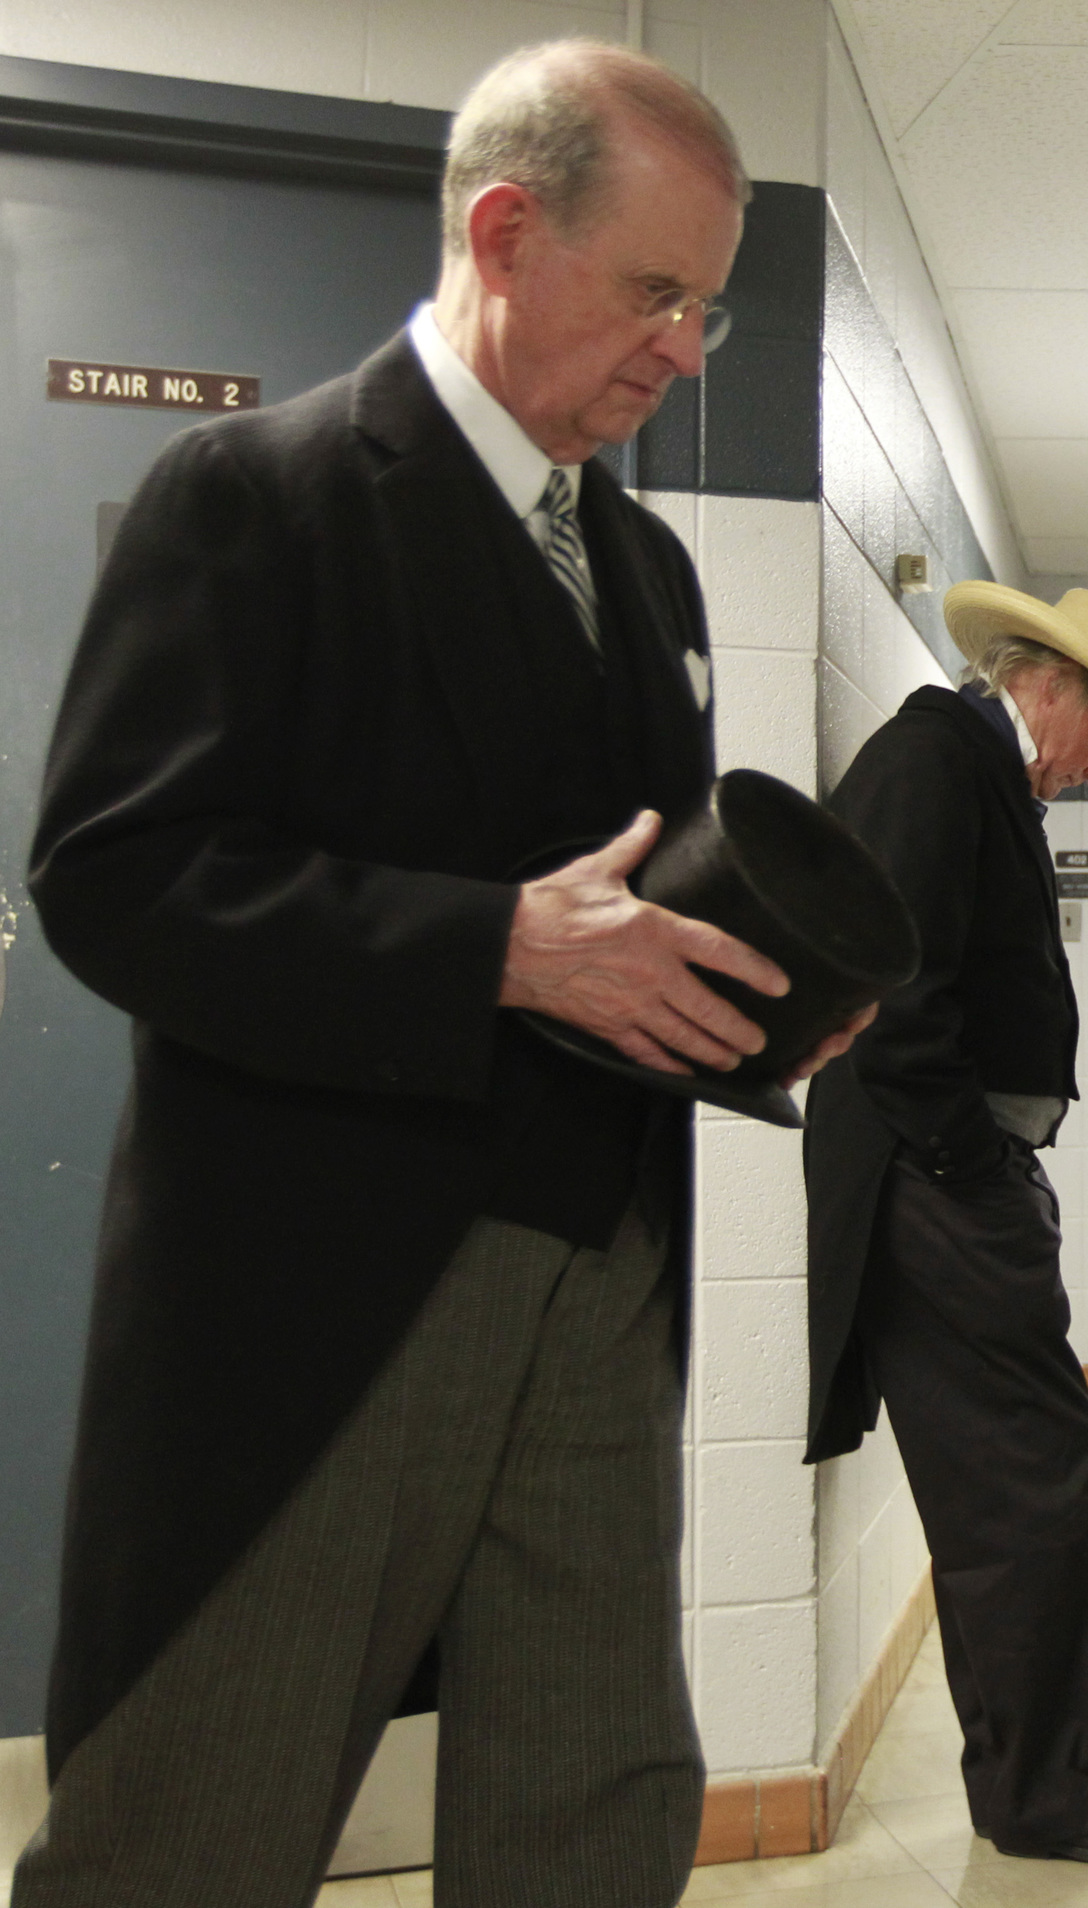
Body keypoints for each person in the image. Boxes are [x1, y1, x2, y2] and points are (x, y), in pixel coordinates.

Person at [16, 43, 868, 1907]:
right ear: (502, 230)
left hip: (602, 1286)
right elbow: (117, 877)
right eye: (657, 292)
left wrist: (771, 1006)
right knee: (197, 1816)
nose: (687, 349)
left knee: (594, 1797)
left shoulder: (643, 568)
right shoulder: (254, 492)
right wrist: (494, 947)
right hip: (327, 1305)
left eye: (711, 306)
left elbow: (626, 913)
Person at [802, 584, 1088, 1865]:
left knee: (1002, 1498)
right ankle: (1052, 1796)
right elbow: (891, 989)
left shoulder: (970, 766)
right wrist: (973, 1165)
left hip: (939, 1180)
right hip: (934, 1186)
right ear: (1053, 685)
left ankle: (1033, 1783)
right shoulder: (938, 756)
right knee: (1038, 1487)